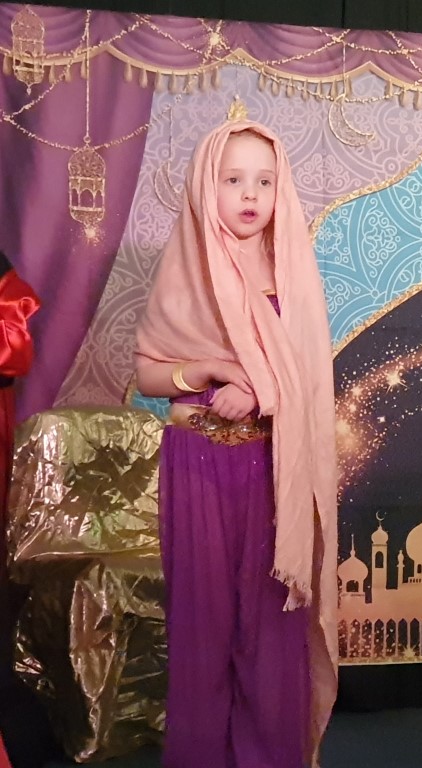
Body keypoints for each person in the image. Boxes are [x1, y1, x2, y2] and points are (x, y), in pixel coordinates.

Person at [135, 106, 337, 768]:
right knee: (202, 626)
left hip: (272, 466)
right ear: (205, 185)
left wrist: (260, 390)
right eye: (233, 180)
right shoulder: (185, 270)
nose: (250, 196)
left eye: (264, 181)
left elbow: (308, 377)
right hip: (197, 464)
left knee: (271, 626)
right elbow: (147, 372)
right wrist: (205, 370)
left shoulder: (292, 271)